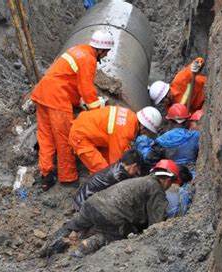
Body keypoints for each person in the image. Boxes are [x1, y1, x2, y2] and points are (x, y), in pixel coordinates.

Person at [38, 159, 181, 258]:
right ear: (168, 180)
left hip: (91, 203)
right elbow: (156, 225)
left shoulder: (142, 181)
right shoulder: (156, 189)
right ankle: (83, 248)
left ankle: (47, 247)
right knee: (115, 236)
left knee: (73, 224)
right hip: (109, 214)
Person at [30, 30, 114, 191]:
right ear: (101, 50)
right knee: (64, 138)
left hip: (43, 93)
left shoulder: (79, 49)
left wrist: (78, 101)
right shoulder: (88, 59)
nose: (106, 56)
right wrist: (97, 110)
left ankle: (46, 175)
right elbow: (87, 89)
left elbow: (68, 79)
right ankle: (68, 177)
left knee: (46, 136)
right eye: (106, 53)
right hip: (57, 98)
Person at [69, 105, 162, 174]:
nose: (144, 135)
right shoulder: (125, 132)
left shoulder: (130, 116)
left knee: (106, 163)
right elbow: (116, 162)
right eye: (147, 132)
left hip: (86, 126)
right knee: (104, 172)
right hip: (80, 136)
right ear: (143, 127)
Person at [72, 149, 142, 212]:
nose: (137, 172)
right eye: (137, 170)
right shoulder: (118, 176)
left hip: (80, 197)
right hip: (84, 203)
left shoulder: (118, 165)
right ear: (134, 166)